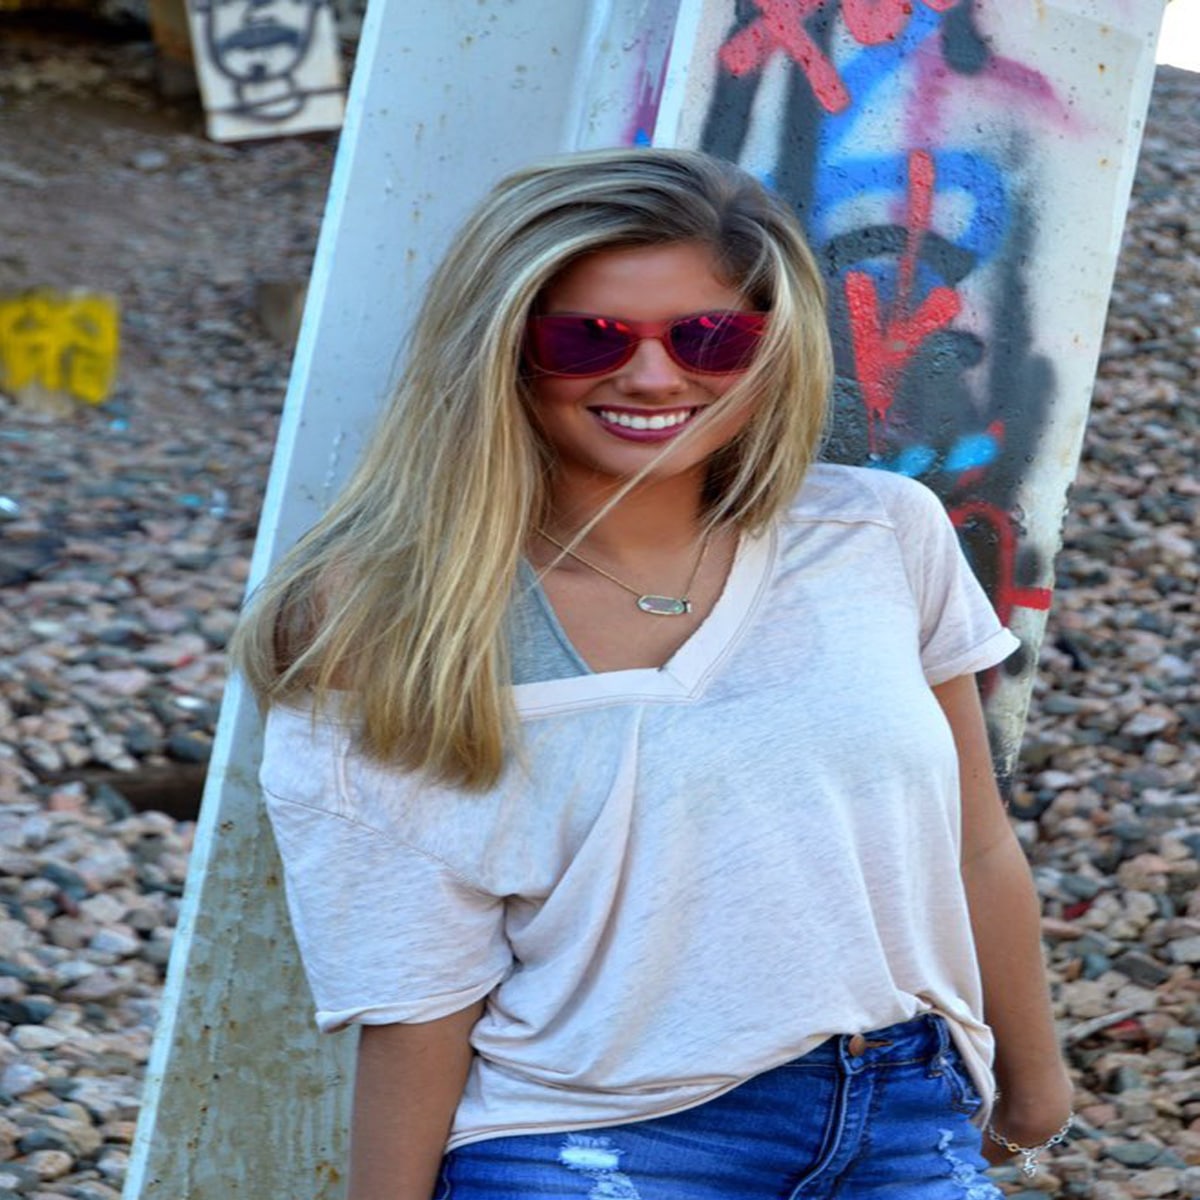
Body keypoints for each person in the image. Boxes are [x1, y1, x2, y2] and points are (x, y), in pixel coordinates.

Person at [232, 148, 1074, 1200]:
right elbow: (416, 991)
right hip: (593, 1144)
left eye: (709, 337)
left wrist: (1035, 1089)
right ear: (501, 351)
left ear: (772, 352)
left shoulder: (876, 532)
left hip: (909, 1116)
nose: (651, 376)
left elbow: (976, 839)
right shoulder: (396, 617)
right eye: (587, 336)